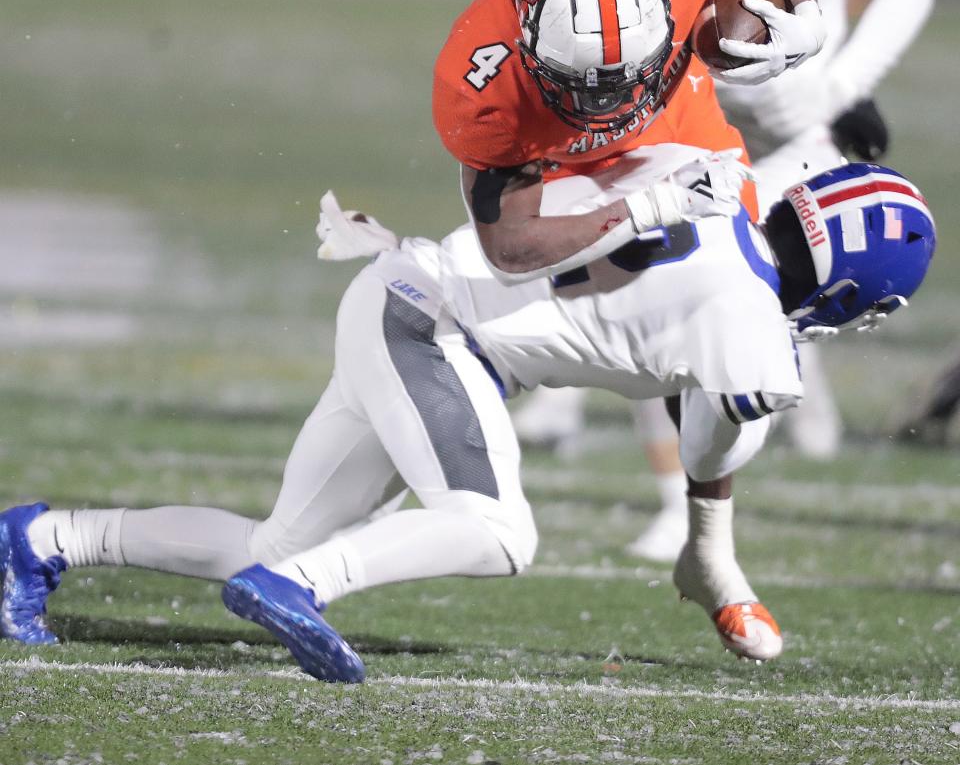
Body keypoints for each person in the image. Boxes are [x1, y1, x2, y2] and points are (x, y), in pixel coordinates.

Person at [0, 159, 936, 683]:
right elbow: (709, 443)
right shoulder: (757, 337)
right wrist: (715, 535)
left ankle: (44, 538)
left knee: (277, 533)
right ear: (854, 296)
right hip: (437, 337)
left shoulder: (707, 174)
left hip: (396, 292)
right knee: (497, 528)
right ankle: (301, 585)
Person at [513, 0, 935, 559]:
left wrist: (848, 87)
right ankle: (685, 503)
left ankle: (790, 408)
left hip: (806, 109)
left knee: (776, 282)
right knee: (673, 281)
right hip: (671, 98)